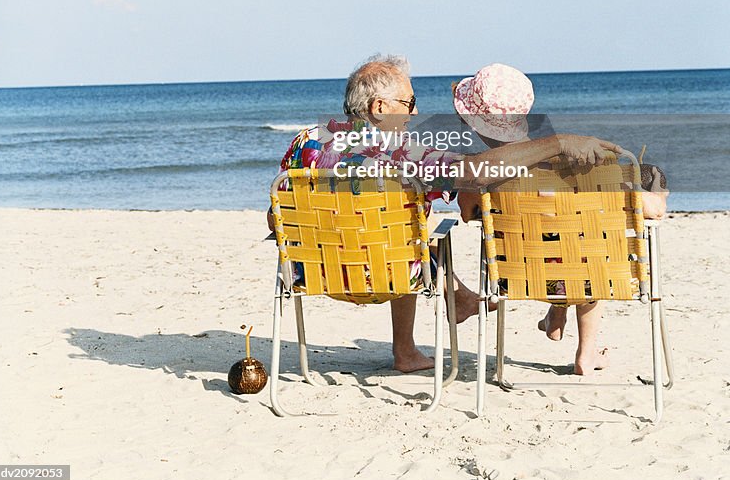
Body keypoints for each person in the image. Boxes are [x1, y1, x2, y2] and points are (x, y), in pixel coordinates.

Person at [273, 54, 631, 374]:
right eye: (408, 102)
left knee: (394, 233)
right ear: (380, 107)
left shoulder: (305, 141)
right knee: (405, 239)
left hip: (315, 274)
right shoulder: (409, 155)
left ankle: (411, 346)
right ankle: (423, 333)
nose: (413, 112)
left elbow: (276, 220)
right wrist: (557, 143)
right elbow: (475, 172)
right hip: (392, 275)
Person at [452, 63, 669, 376]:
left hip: (518, 278)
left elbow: (466, 212)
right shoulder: (587, 174)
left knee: (558, 243)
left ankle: (557, 313)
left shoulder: (482, 179)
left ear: (472, 122)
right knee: (586, 242)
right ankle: (586, 352)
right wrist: (657, 188)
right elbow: (654, 210)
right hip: (589, 277)